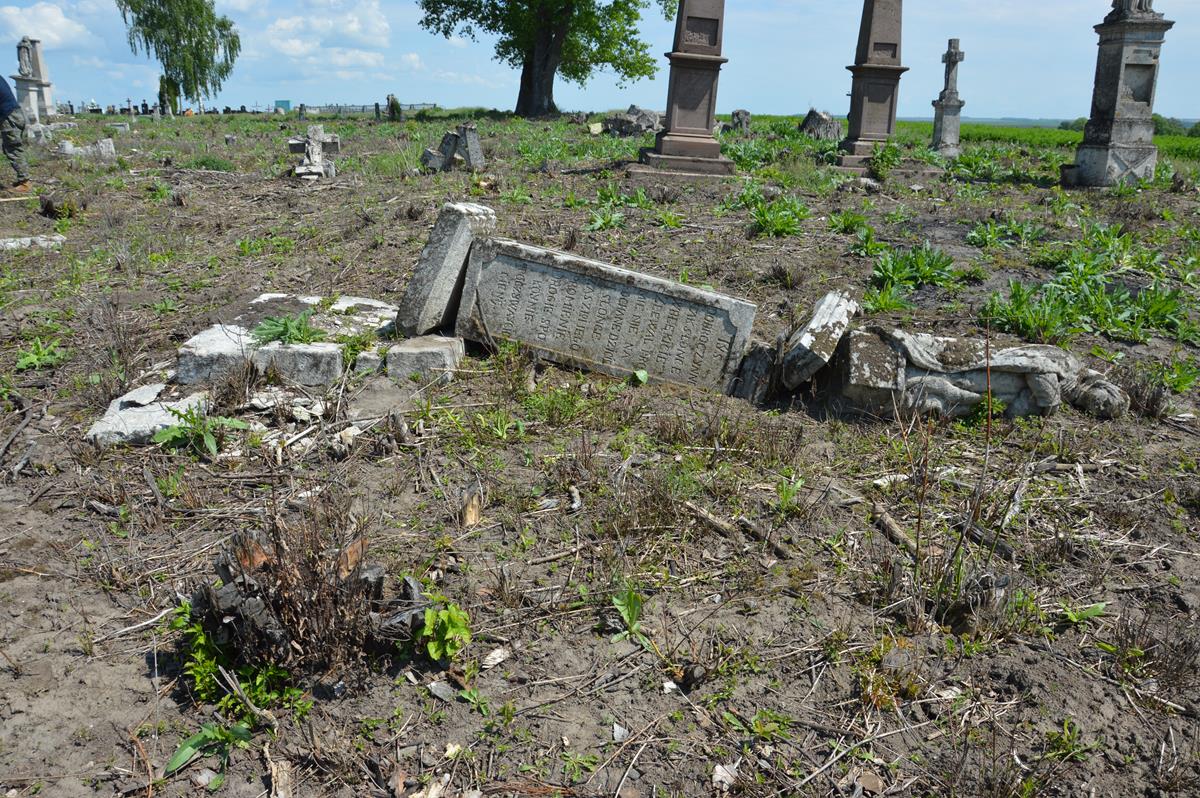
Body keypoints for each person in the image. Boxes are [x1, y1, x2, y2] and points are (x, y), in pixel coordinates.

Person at [0, 75, 30, 194]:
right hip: (11, 115)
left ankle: (25, 182)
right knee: (11, 148)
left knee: (13, 149)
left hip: (9, 117)